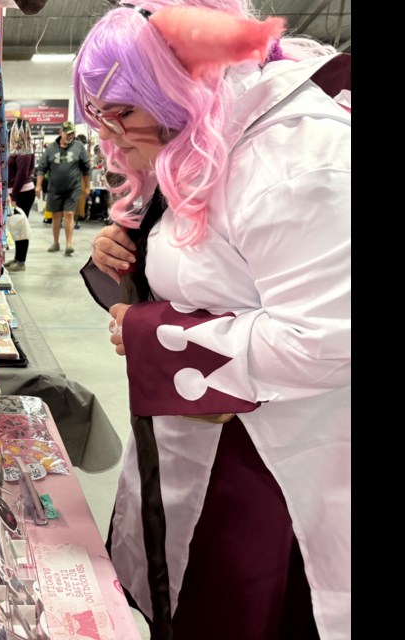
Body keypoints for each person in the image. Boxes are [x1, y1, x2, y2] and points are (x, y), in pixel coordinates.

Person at [79, 2, 350, 638]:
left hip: (273, 455)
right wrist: (123, 255)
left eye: (121, 110)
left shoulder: (298, 157)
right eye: (100, 115)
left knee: (243, 607)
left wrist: (157, 341)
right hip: (203, 440)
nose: (110, 134)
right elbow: (214, 266)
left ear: (175, 83)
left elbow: (323, 338)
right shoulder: (205, 136)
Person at [35, 121, 90, 256]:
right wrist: (38, 185)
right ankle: (56, 242)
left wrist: (87, 186)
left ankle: (69, 244)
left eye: (72, 134)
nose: (70, 136)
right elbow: (41, 168)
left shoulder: (79, 147)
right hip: (54, 189)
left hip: (73, 188)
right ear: (61, 133)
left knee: (69, 214)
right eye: (68, 133)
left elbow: (86, 168)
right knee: (56, 216)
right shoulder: (51, 149)